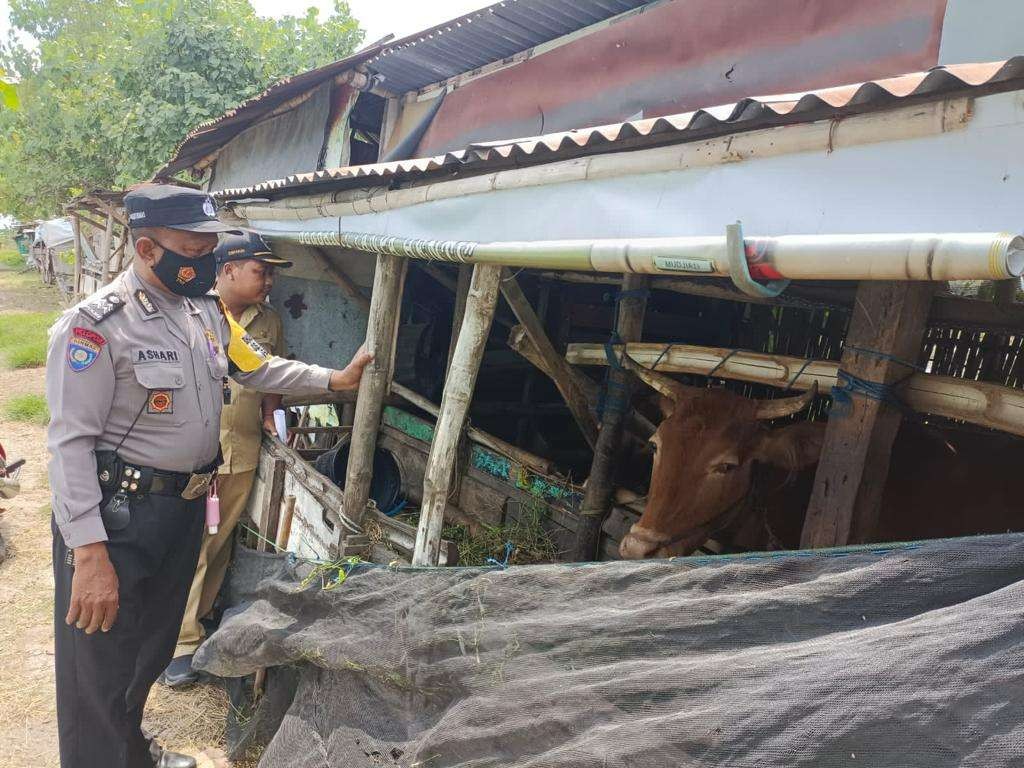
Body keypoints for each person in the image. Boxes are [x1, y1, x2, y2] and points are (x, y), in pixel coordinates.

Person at [46, 184, 373, 768]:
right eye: (192, 248)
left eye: (209, 247)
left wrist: (334, 380)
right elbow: (69, 445)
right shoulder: (96, 327)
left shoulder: (203, 311)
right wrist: (88, 553)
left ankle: (129, 752)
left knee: (148, 651)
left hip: (182, 509)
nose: (205, 259)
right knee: (98, 664)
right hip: (118, 517)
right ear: (147, 249)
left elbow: (257, 366)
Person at [162, 232, 292, 687]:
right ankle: (177, 642)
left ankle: (191, 631)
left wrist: (277, 423)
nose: (269, 280)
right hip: (191, 451)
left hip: (241, 450)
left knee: (217, 547)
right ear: (230, 269)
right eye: (262, 270)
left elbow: (271, 379)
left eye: (271, 272)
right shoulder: (188, 310)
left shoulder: (269, 321)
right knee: (190, 546)